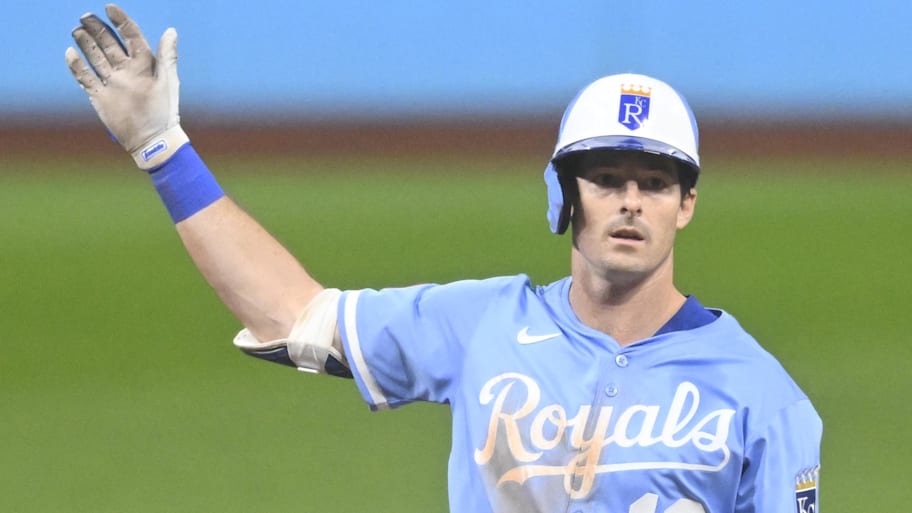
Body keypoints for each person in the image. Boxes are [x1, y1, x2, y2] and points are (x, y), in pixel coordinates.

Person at [66, 5, 822, 513]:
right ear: (565, 193)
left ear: (685, 204)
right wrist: (162, 149)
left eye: (655, 184)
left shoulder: (760, 395)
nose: (631, 202)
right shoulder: (483, 323)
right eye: (606, 178)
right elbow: (292, 315)